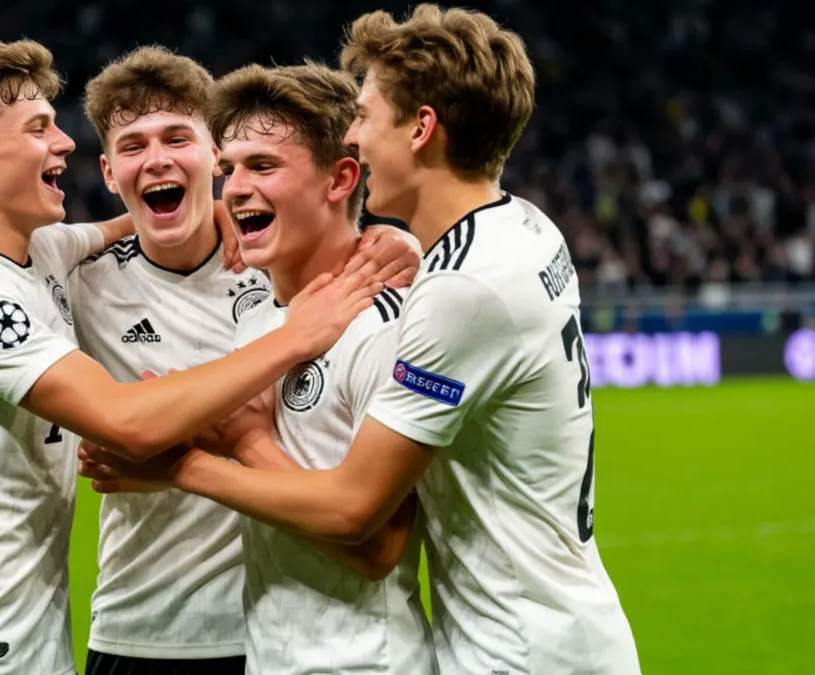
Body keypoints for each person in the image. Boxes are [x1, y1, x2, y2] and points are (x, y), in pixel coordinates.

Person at [84, 6, 641, 675]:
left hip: (501, 650)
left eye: (367, 116)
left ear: (420, 129)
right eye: (228, 168)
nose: (357, 133)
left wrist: (210, 453)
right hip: (488, 631)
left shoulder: (424, 306)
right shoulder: (522, 227)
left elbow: (362, 522)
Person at [0, 45, 419, 675]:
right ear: (111, 174)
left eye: (179, 139)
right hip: (125, 631)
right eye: (133, 146)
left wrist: (387, 235)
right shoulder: (79, 279)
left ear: (210, 159)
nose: (158, 159)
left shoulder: (267, 271)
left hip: (265, 632)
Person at [85, 62, 436, 675]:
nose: (235, 189)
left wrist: (212, 455)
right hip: (264, 654)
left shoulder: (388, 325)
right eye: (232, 170)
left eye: (262, 167)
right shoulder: (260, 315)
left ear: (342, 177)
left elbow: (375, 539)